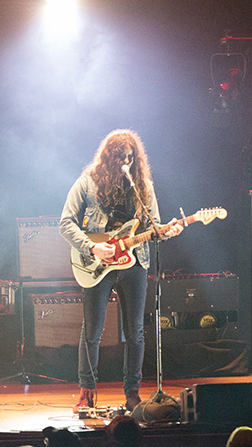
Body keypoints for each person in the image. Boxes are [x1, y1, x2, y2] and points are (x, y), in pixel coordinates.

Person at [59, 129, 183, 413]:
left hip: (135, 262)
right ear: (108, 157)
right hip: (98, 263)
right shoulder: (87, 183)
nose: (125, 163)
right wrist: (92, 247)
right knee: (92, 331)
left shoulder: (143, 187)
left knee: (135, 331)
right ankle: (86, 391)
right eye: (119, 158)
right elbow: (66, 223)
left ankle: (132, 393)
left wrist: (168, 231)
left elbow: (155, 228)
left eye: (130, 158)